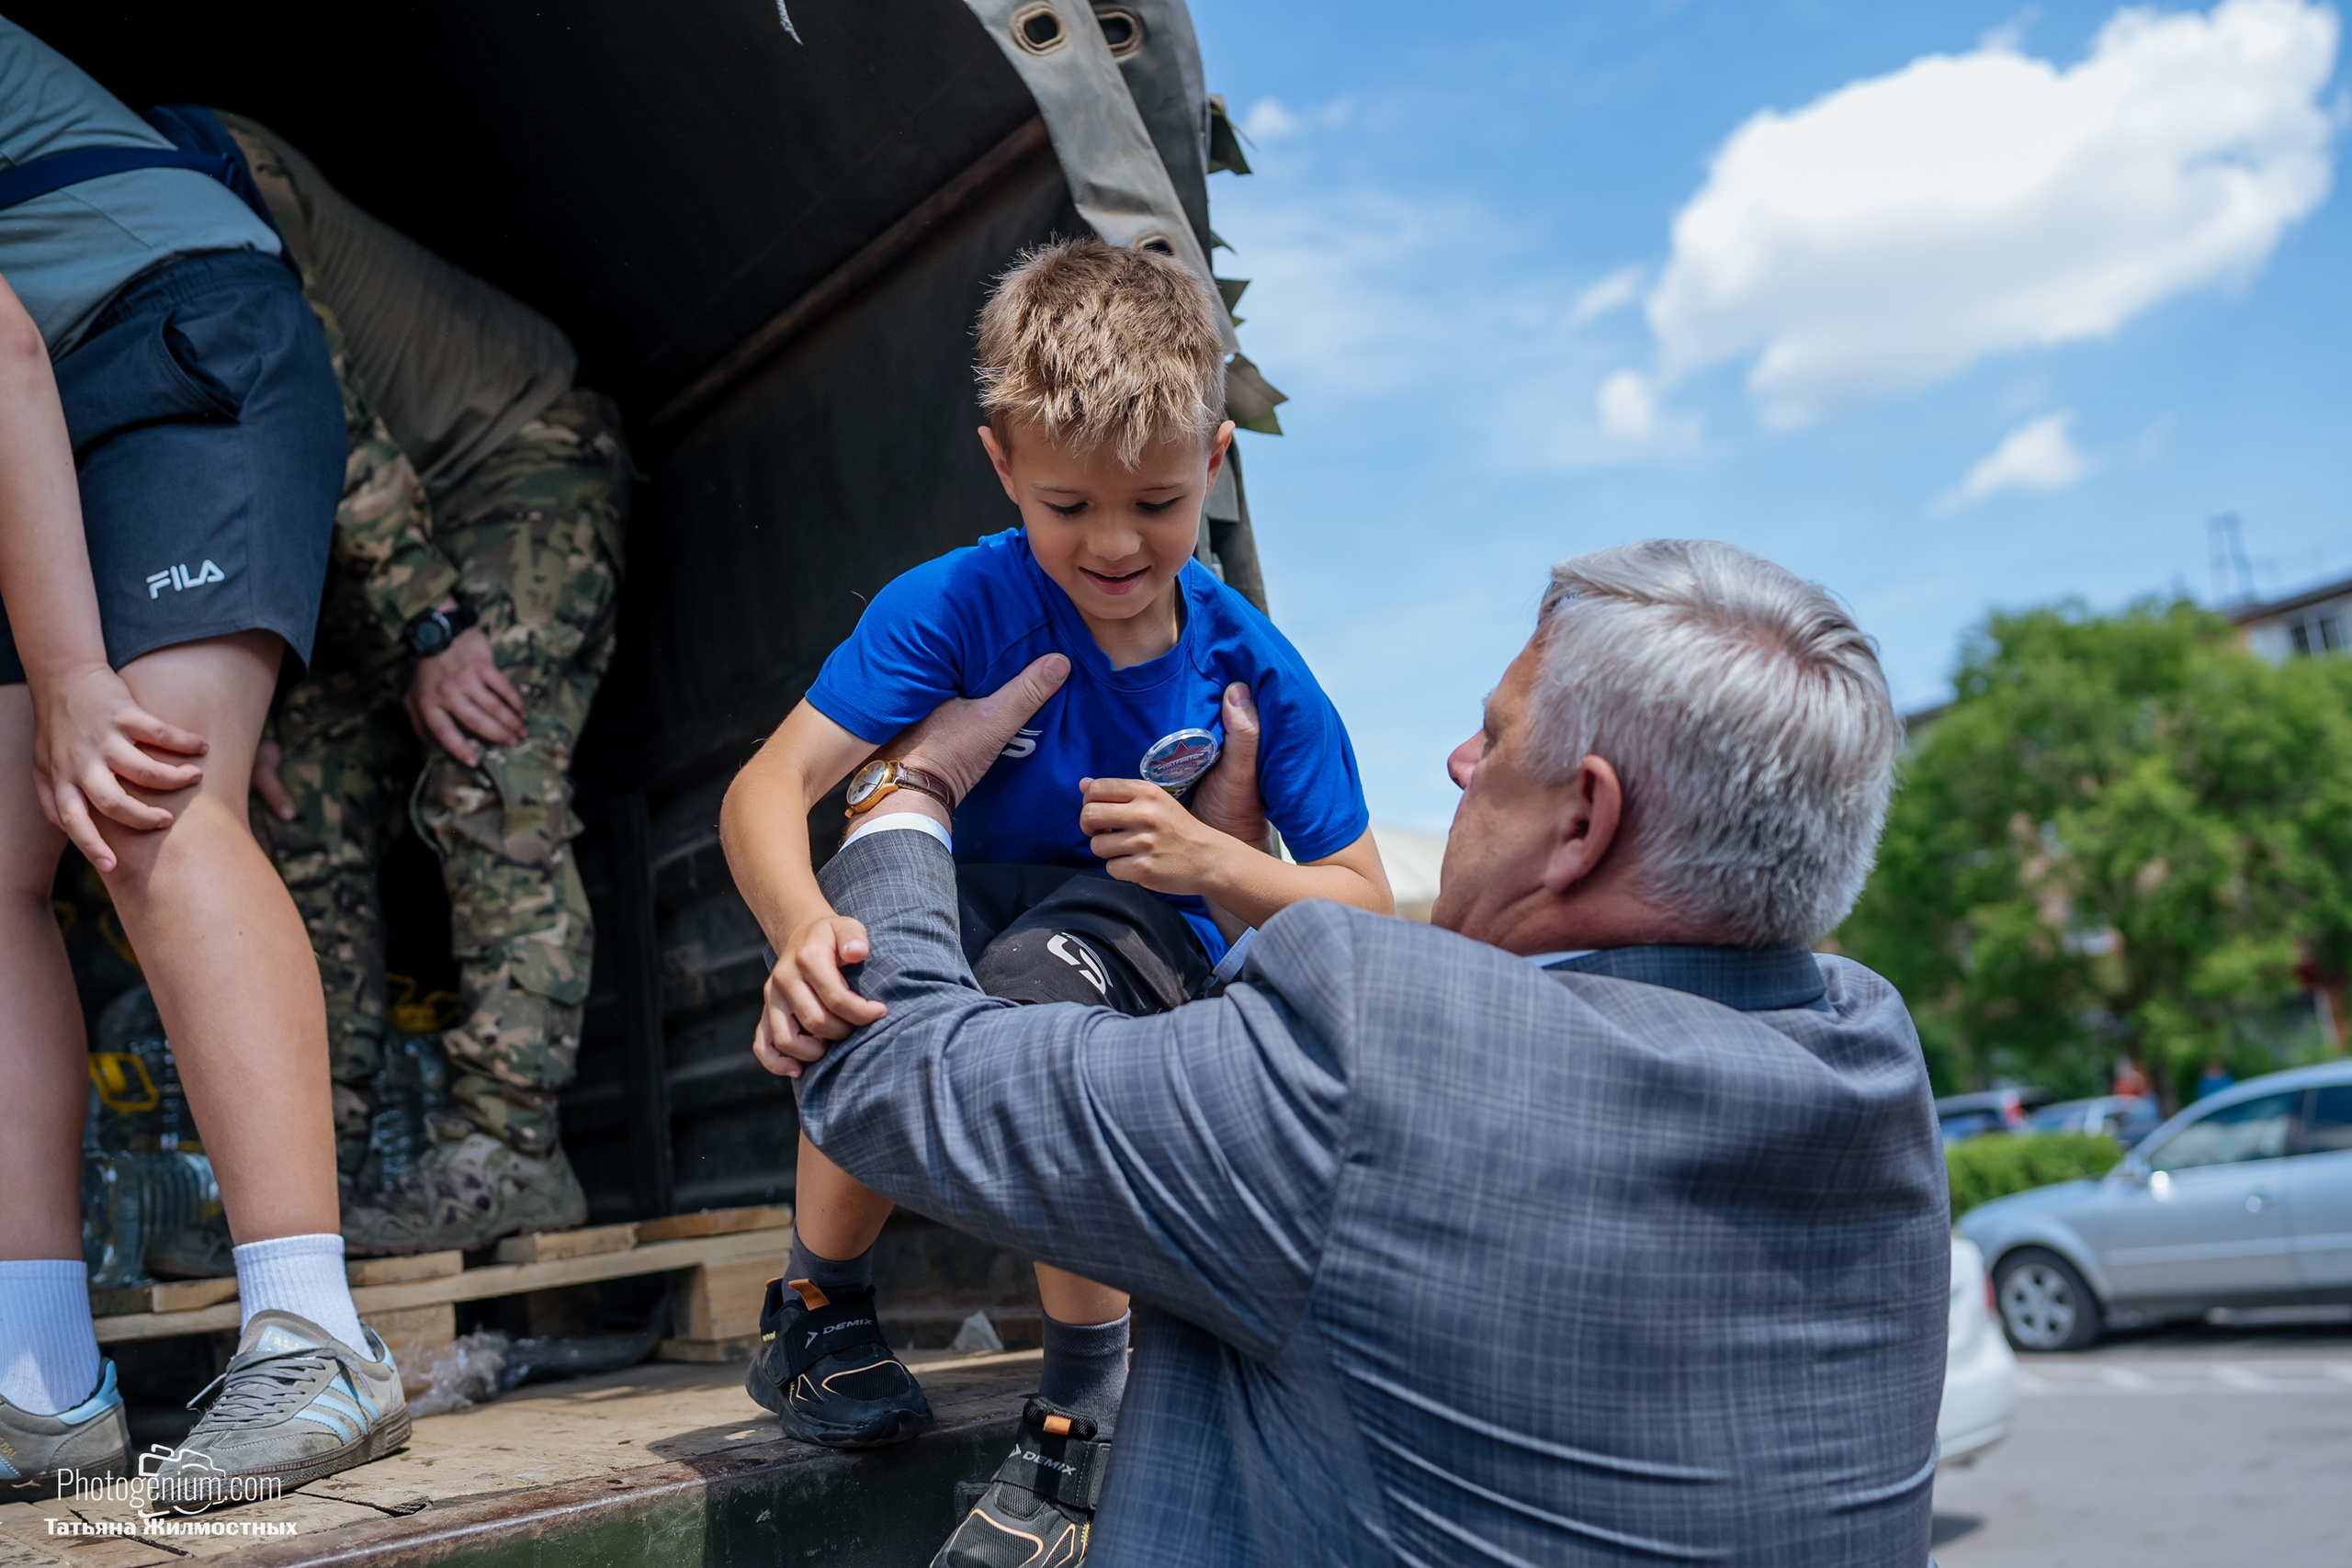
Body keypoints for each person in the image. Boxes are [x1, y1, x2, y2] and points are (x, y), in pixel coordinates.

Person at [757, 540, 1951, 1566]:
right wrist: (1227, 902)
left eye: (1495, 737)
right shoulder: (1873, 1067)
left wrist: (908, 788)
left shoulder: (1374, 1059)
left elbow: (891, 1078)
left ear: (1584, 819)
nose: (1458, 763)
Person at [718, 240, 1391, 1502]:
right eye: (1068, 506)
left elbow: (1365, 893)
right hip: (952, 896)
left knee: (1042, 997)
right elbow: (767, 789)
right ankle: (816, 1304)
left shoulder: (1252, 663)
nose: (1118, 544)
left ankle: (1091, 1370)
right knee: (863, 968)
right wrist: (801, 925)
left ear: (1215, 466)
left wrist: (1211, 859)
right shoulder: (954, 604)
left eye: (1159, 501)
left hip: (1125, 930)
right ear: (1002, 463)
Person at [0, 24, 402, 1506]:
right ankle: (35, 1381)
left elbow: (0, 347)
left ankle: (316, 1334)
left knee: (146, 808)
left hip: (165, 332)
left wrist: (68, 677)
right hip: (41, 413)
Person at [216, 116, 630, 1254]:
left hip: (517, 463)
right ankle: (308, 1177)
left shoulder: (213, 175)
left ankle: (511, 1149)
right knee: (287, 788)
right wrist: (226, 693)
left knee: (484, 757)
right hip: (381, 544)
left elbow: (332, 421)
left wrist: (434, 627)